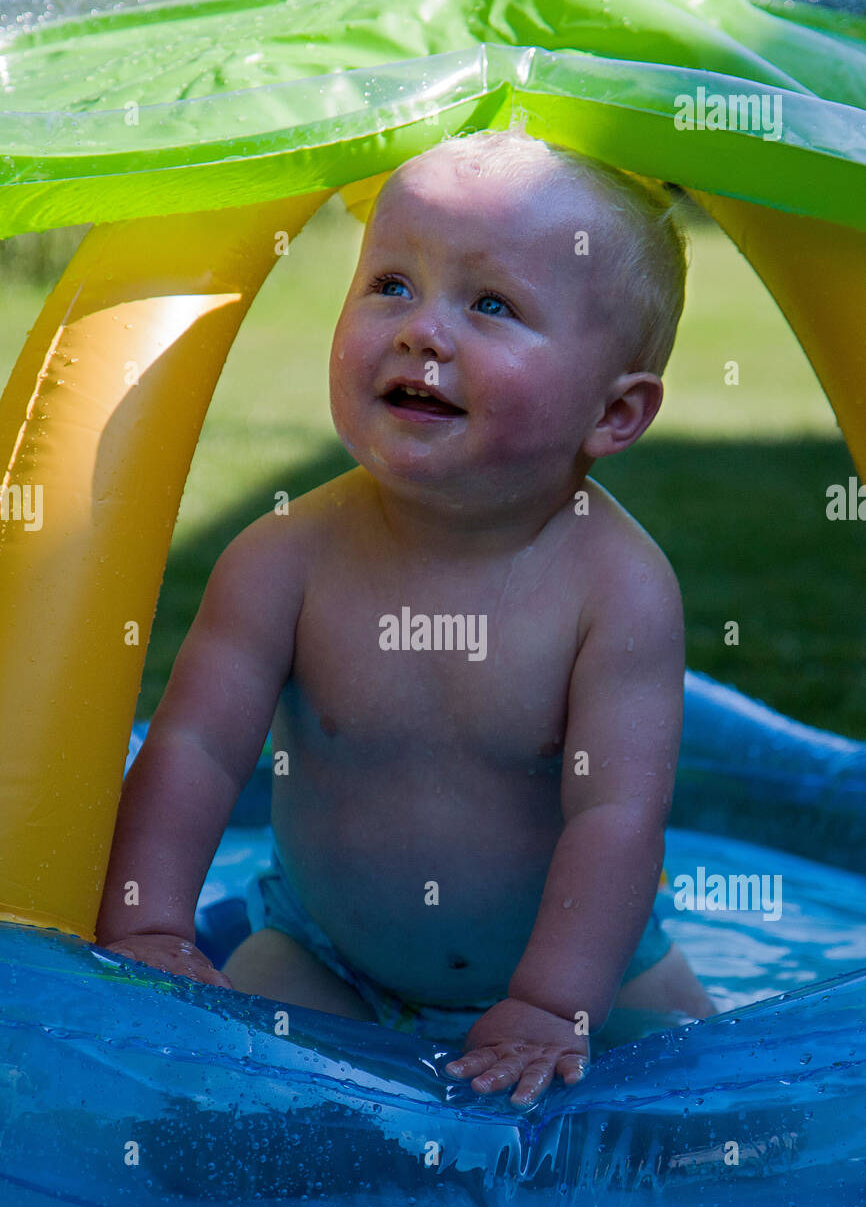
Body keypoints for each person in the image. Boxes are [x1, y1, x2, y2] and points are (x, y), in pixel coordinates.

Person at [96, 126, 715, 1107]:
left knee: (713, 1120)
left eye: (491, 304)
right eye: (390, 284)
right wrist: (149, 922)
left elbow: (615, 816)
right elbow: (196, 750)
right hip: (325, 958)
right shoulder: (283, 558)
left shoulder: (617, 591)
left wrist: (554, 1006)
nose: (421, 331)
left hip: (596, 975)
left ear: (613, 416)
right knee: (201, 1112)